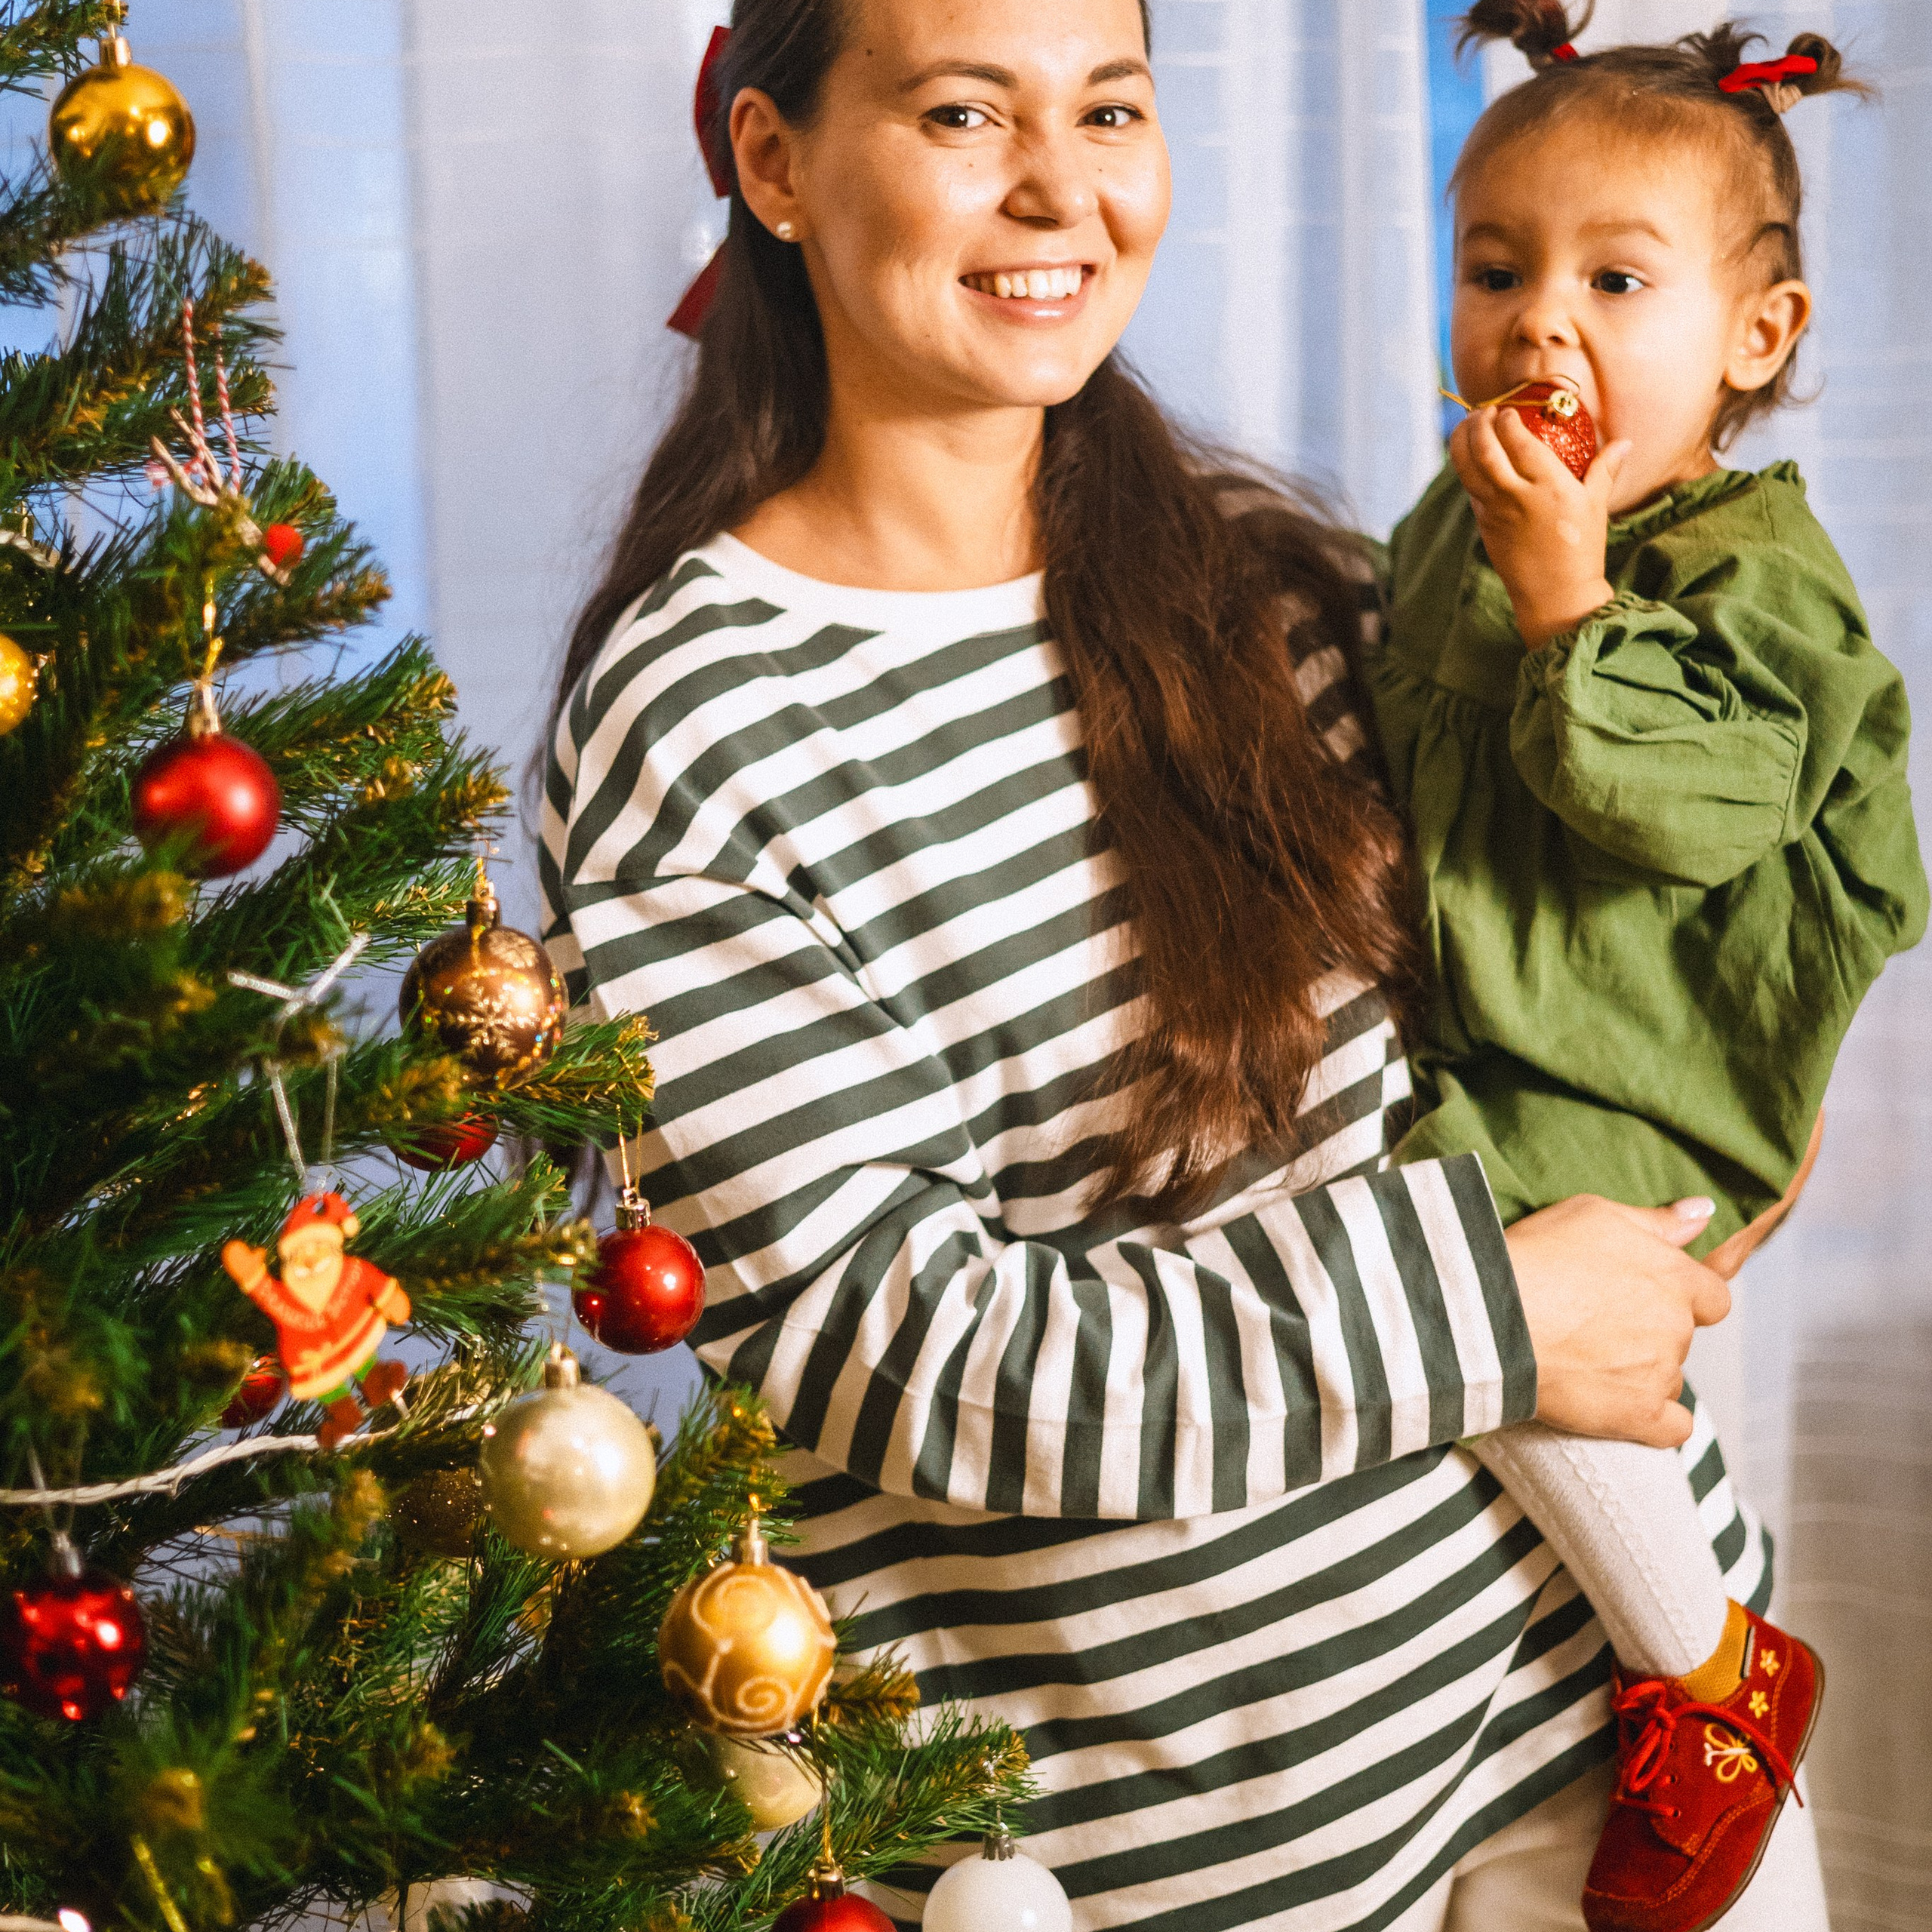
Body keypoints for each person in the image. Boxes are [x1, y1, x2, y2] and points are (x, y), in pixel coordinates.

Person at [540, 1, 1806, 1924]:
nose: (1062, 189)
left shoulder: (1265, 568)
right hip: (1208, 1856)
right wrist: (1488, 1310)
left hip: (1627, 1717)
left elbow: (1561, 959)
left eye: (1110, 109)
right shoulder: (697, 725)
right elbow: (894, 1350)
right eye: (963, 114)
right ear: (771, 162)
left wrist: (1723, 1113)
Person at [1370, 8, 1927, 1927]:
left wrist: (1565, 598)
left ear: (1752, 337)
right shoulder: (1456, 514)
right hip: (1508, 1019)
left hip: (1661, 1057)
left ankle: (1711, 1668)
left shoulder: (1751, 566)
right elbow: (1387, 699)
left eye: (1613, 281)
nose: (1541, 322)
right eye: (1493, 271)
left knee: (1487, 1296)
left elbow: (1690, 804)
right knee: (1410, 1273)